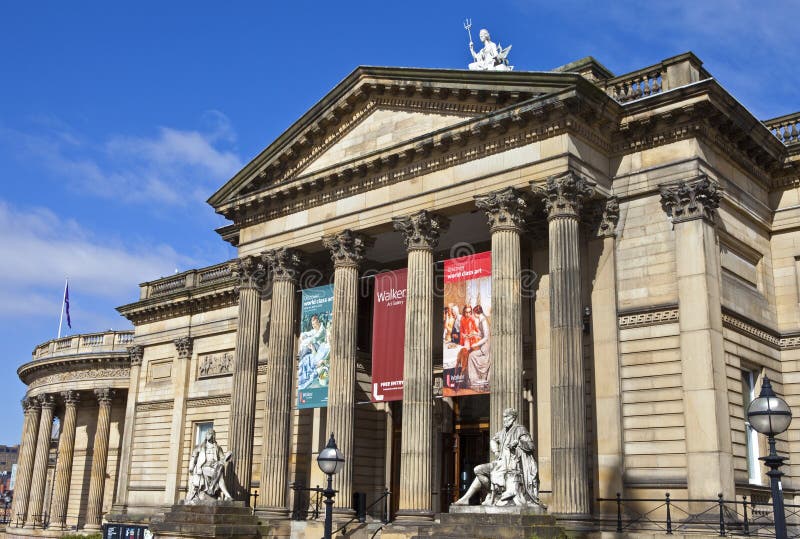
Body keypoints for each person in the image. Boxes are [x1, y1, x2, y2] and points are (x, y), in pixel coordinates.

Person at [452, 408, 543, 508]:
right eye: (503, 417)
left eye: (506, 417)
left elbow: (530, 446)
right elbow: (493, 440)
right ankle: (486, 494)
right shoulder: (503, 432)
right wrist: (496, 451)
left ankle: (469, 498)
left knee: (488, 473)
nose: (504, 419)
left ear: (513, 418)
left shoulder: (520, 430)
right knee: (478, 469)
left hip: (513, 464)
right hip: (501, 462)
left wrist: (518, 443)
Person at [186, 428, 233, 503]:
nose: (209, 435)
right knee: (220, 474)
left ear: (214, 436)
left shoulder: (218, 447)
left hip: (214, 467)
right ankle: (227, 495)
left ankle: (218, 491)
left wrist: (228, 455)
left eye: (210, 434)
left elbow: (222, 459)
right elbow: (193, 457)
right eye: (207, 434)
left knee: (220, 469)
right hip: (204, 467)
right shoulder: (200, 447)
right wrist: (191, 467)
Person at [466, 305, 490, 391]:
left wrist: (475, 345)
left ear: (476, 313)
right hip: (483, 347)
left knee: (471, 356)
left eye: (473, 313)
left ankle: (475, 381)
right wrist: (472, 334)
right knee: (471, 355)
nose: (473, 315)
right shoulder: (481, 319)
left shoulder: (483, 320)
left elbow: (486, 337)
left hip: (485, 348)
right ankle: (474, 380)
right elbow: (481, 334)